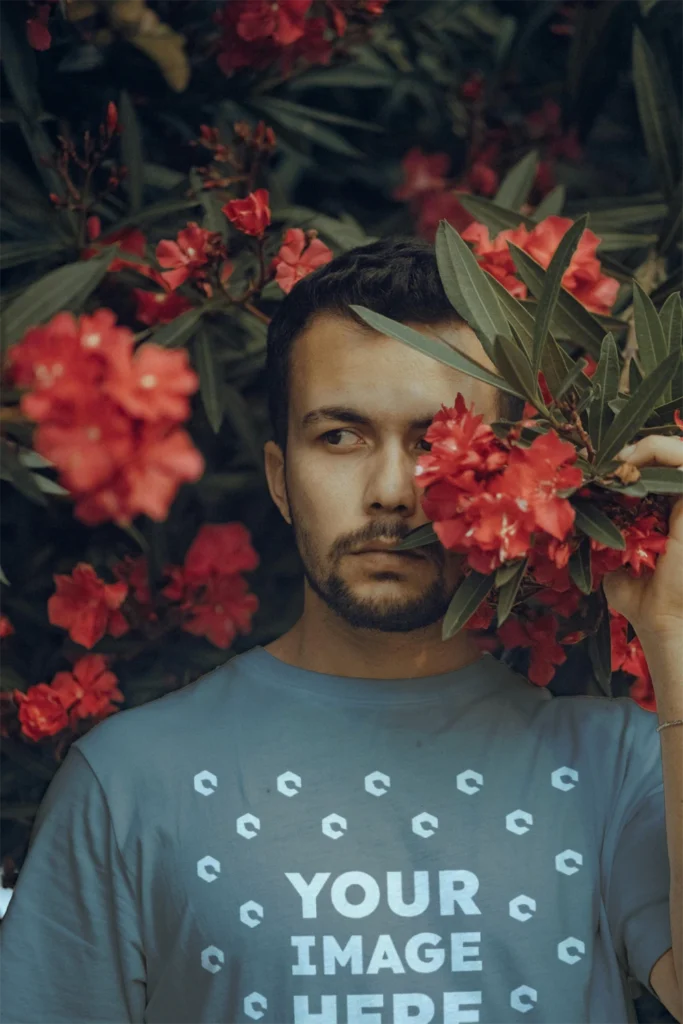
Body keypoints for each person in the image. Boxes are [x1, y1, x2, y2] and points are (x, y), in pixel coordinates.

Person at [0, 237, 673, 1024]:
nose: (390, 492)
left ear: (513, 474)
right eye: (339, 438)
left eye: (434, 442)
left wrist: (674, 630)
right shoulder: (128, 784)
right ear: (281, 481)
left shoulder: (618, 768)